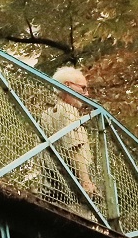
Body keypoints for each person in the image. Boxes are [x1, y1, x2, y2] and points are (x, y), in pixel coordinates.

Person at [43, 66, 101, 205]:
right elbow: (75, 147)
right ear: (67, 85)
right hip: (74, 194)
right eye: (83, 88)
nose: (86, 94)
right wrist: (86, 182)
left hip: (55, 191)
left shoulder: (46, 114)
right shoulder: (69, 110)